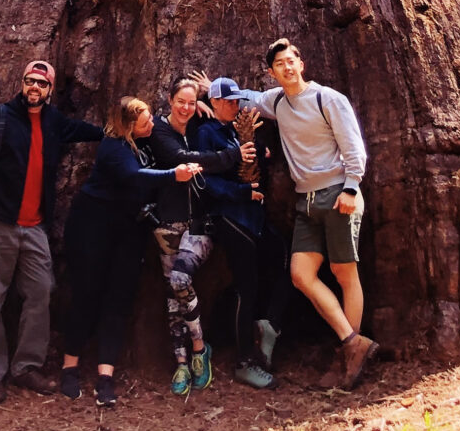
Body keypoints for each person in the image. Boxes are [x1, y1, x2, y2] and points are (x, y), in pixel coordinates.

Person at [0, 60, 103, 404]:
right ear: (22, 83)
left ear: (50, 90)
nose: (35, 87)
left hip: (34, 227)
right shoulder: (0, 117)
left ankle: (26, 367)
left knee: (41, 292)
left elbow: (92, 131)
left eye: (42, 83)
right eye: (29, 81)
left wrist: (128, 127)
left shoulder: (54, 122)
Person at [57, 97, 204, 408]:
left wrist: (202, 108)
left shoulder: (146, 142)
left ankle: (105, 378)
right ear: (127, 125)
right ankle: (69, 368)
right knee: (86, 295)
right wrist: (173, 175)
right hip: (93, 226)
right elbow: (133, 176)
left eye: (150, 119)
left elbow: (173, 132)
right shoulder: (113, 147)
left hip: (128, 230)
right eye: (144, 121)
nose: (151, 124)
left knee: (119, 299)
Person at [254, 39, 378, 390]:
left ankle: (348, 358)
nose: (287, 67)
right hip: (305, 202)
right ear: (272, 72)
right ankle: (353, 343)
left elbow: (353, 145)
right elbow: (245, 98)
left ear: (301, 64)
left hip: (339, 193)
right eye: (280, 64)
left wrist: (351, 187)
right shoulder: (276, 102)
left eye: (291, 60)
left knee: (344, 273)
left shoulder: (328, 99)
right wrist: (209, 92)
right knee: (300, 274)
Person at [146, 71, 252, 396]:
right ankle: (181, 362)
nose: (186, 108)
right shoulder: (159, 131)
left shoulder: (198, 127)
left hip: (200, 225)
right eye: (181, 102)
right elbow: (184, 159)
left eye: (191, 103)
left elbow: (218, 122)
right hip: (168, 223)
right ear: (169, 100)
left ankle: (199, 348)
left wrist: (206, 99)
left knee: (180, 280)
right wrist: (233, 155)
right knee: (172, 297)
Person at [196, 76, 295, 389]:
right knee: (246, 286)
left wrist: (259, 151)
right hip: (229, 217)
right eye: (228, 101)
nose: (234, 106)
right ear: (213, 102)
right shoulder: (206, 133)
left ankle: (270, 326)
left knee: (284, 259)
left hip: (255, 216)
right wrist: (241, 192)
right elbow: (206, 180)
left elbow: (256, 159)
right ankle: (244, 362)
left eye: (237, 100)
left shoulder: (235, 130)